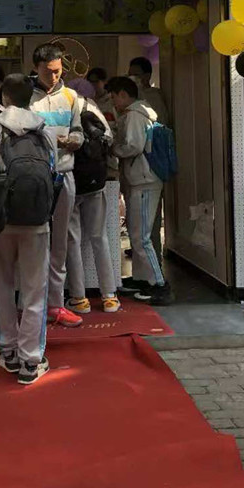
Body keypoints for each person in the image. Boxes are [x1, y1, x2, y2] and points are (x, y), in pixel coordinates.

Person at [0, 74, 56, 384]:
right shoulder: (44, 129)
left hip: (2, 222)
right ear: (31, 97)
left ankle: (9, 352)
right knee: (34, 289)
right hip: (37, 222)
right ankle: (31, 360)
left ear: (5, 97)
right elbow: (54, 171)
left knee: (2, 285)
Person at [30, 44, 84, 327]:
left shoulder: (71, 96)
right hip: (34, 176)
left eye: (58, 71)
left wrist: (74, 141)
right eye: (48, 71)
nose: (53, 77)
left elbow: (79, 132)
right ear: (35, 68)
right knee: (34, 241)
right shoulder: (26, 97)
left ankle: (56, 304)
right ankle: (32, 303)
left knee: (60, 242)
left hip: (64, 173)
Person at [110, 76, 171, 306]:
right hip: (142, 179)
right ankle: (141, 279)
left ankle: (159, 284)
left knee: (142, 237)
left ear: (123, 94)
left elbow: (133, 146)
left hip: (144, 180)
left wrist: (114, 149)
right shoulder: (139, 113)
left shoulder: (136, 115)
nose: (114, 102)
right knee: (137, 235)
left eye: (114, 97)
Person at [64, 80, 120, 314]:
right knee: (99, 237)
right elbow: (109, 138)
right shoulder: (92, 108)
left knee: (72, 240)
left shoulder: (63, 108)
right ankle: (109, 296)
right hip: (95, 182)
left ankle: (79, 298)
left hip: (71, 181)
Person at [128, 56, 170, 263]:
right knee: (137, 222)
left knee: (149, 222)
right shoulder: (132, 99)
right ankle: (142, 264)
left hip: (150, 166)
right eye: (130, 74)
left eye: (136, 74)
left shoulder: (153, 98)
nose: (132, 78)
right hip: (136, 171)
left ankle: (155, 265)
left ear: (146, 75)